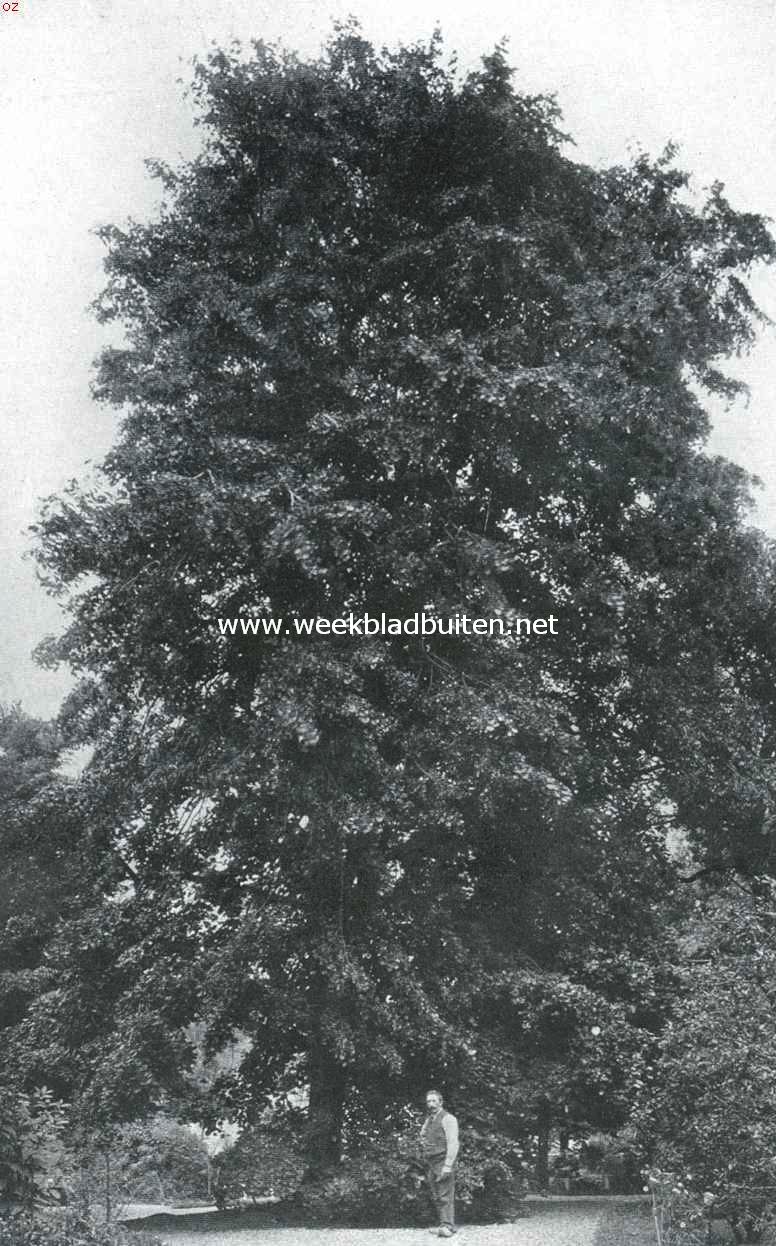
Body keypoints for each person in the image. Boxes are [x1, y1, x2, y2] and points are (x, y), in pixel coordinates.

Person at [420, 1089, 459, 1237]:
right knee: (437, 1195)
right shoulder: (430, 1119)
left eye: (433, 1101)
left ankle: (448, 1227)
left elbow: (453, 1143)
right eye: (428, 1101)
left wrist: (448, 1165)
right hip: (431, 1162)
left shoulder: (448, 1119)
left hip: (443, 1162)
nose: (430, 1104)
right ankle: (444, 1224)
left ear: (440, 1102)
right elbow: (422, 1134)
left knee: (445, 1195)